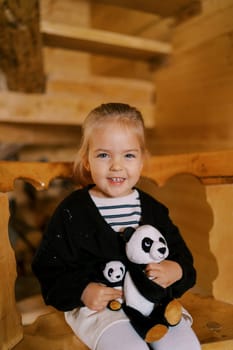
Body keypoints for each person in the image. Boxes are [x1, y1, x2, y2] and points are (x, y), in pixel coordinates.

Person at [32, 103, 201, 350]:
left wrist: (176, 270)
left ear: (142, 160)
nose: (116, 166)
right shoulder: (72, 212)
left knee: (184, 346)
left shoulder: (153, 209)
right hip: (101, 310)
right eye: (103, 155)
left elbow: (182, 258)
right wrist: (82, 290)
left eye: (129, 155)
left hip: (154, 304)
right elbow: (49, 268)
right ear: (86, 160)